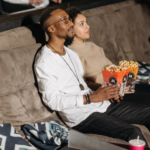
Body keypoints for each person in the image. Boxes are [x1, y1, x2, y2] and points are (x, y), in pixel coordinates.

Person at [34, 6, 150, 148]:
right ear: (51, 29)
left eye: (69, 20)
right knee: (134, 132)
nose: (70, 23)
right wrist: (91, 98)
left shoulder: (71, 54)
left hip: (101, 104)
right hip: (81, 117)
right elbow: (52, 100)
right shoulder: (45, 61)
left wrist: (106, 92)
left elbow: (82, 84)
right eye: (64, 20)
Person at [65, 7, 150, 105]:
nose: (87, 26)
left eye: (86, 22)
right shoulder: (70, 53)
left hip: (121, 85)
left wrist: (126, 75)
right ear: (70, 29)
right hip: (109, 92)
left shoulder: (93, 46)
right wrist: (103, 89)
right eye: (81, 24)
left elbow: (111, 66)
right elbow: (82, 84)